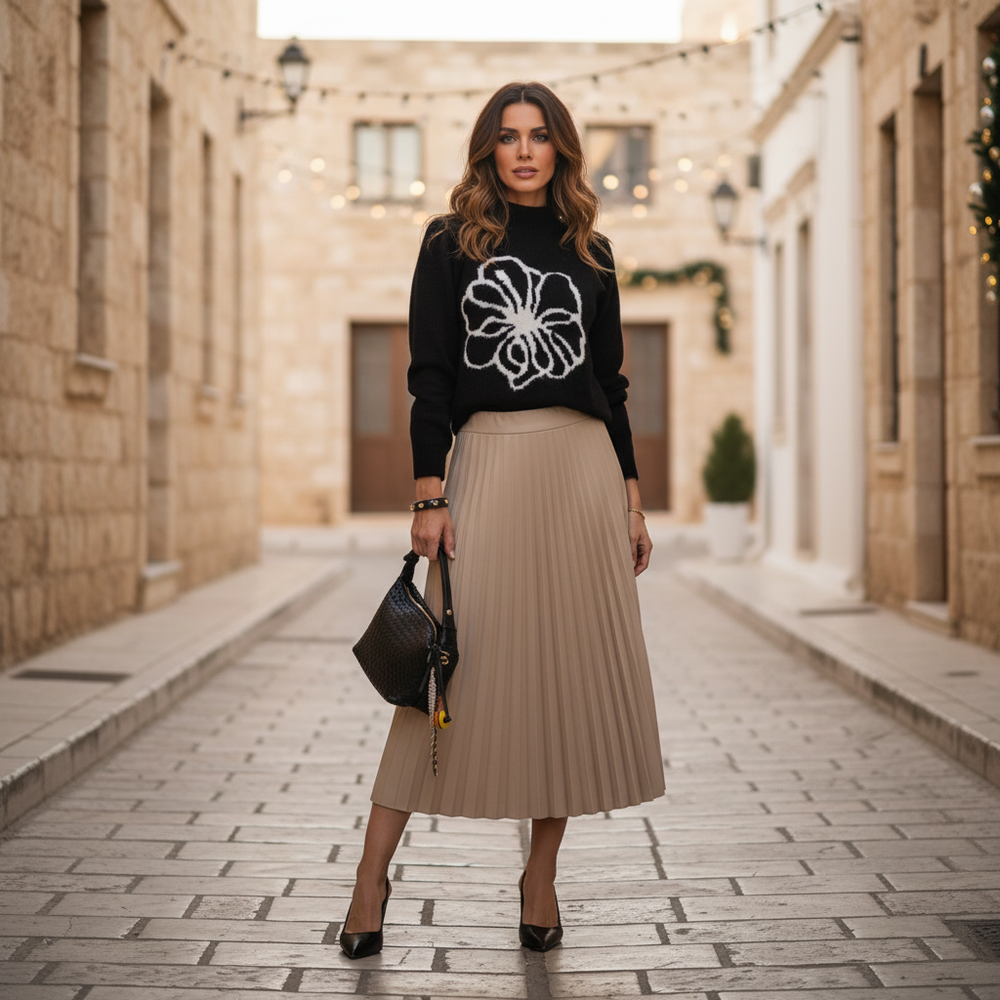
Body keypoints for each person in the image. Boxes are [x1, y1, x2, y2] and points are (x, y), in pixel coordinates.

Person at [340, 81, 665, 960]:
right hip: (484, 467)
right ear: (488, 150)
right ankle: (371, 881)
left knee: (561, 677)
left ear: (561, 149)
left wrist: (631, 501)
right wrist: (428, 491)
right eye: (508, 138)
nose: (524, 151)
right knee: (445, 674)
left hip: (580, 474)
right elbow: (431, 375)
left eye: (540, 137)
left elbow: (614, 385)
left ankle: (541, 875)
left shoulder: (591, 250)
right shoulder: (449, 243)